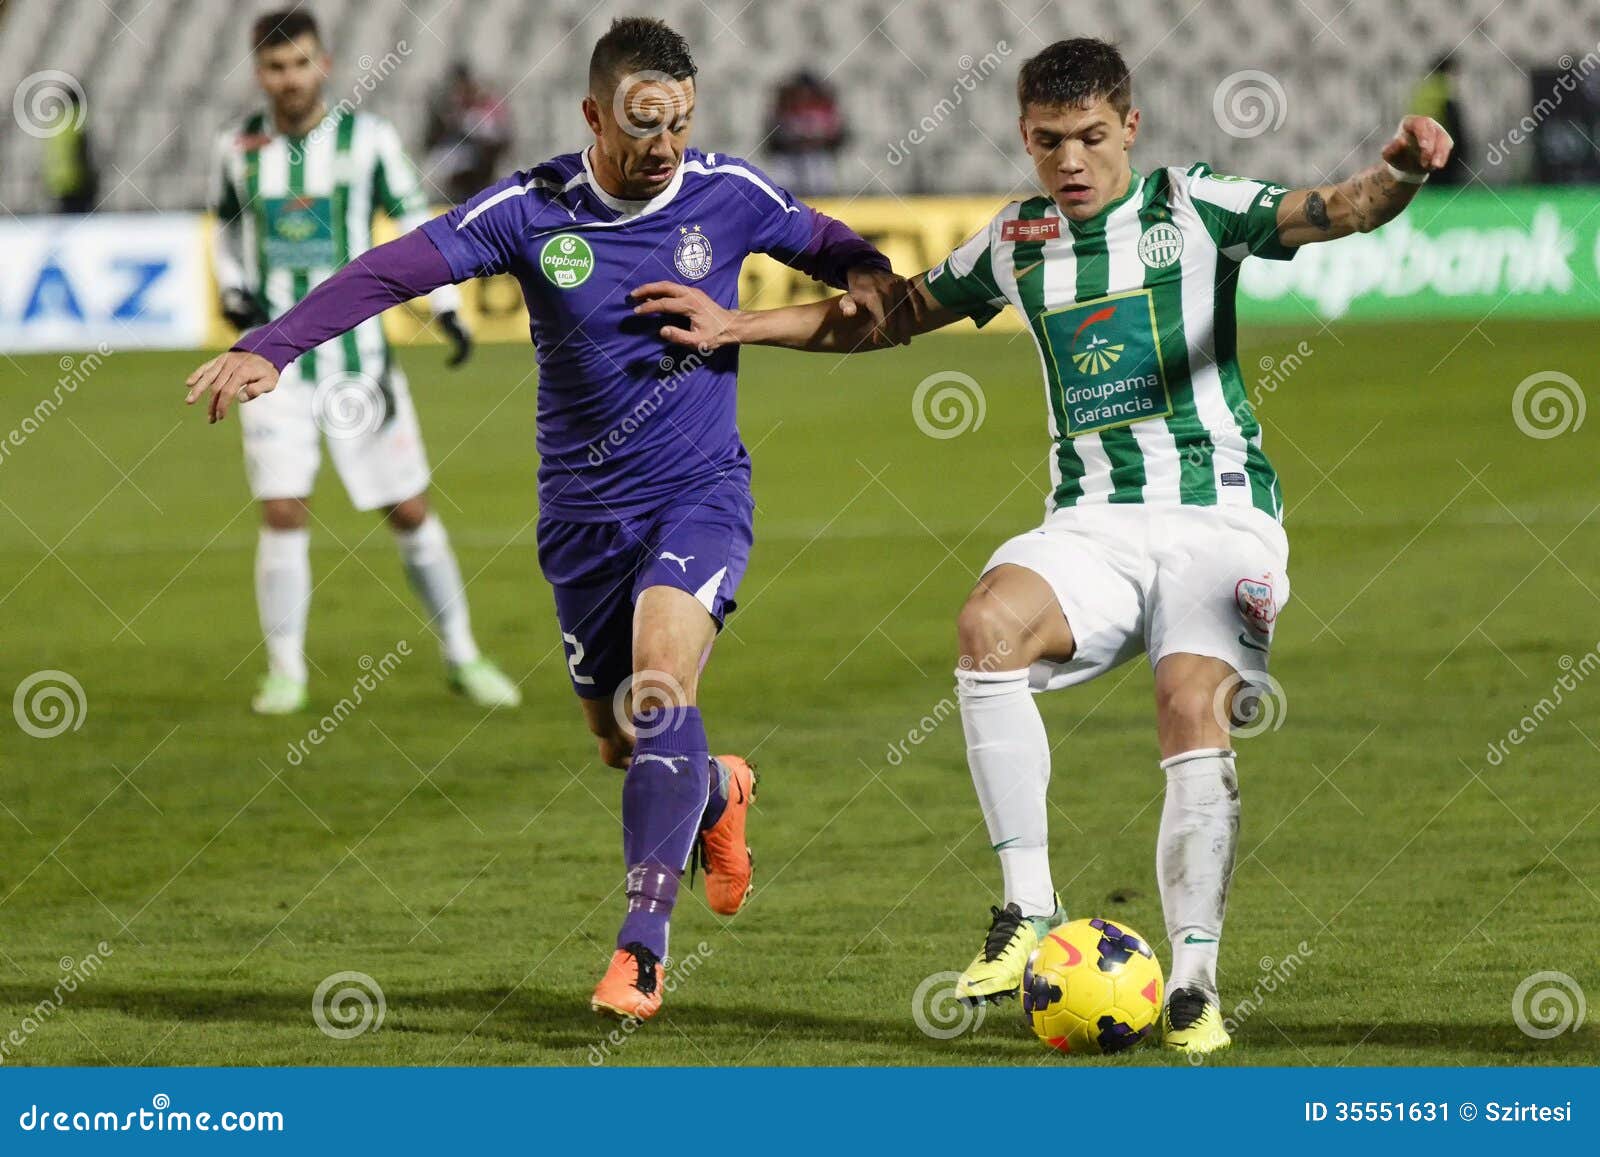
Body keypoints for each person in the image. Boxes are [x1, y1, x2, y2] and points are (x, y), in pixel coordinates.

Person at [629, 38, 1453, 1053]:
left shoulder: (1189, 205)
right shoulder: (1016, 240)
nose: (1070, 160)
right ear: (1023, 136)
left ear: (1130, 128)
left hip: (1219, 513)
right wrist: (733, 325)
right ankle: (1026, 911)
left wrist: (1404, 166)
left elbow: (1335, 208)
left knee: (1188, 700)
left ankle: (1191, 982)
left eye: (1091, 139)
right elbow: (884, 317)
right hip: (1090, 523)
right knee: (988, 626)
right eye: (1048, 141)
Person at [184, 16, 902, 1020]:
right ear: (594, 115)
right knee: (624, 741)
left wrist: (864, 269)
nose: (665, 149)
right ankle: (712, 788)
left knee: (659, 686)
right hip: (579, 522)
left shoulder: (725, 194)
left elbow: (825, 238)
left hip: (697, 496)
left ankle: (640, 949)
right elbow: (393, 267)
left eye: (681, 125)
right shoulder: (531, 210)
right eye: (644, 127)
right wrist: (277, 343)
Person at [210, 8, 518, 715]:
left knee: (407, 507)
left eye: (301, 64)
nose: (289, 79)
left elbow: (415, 225)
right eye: (275, 67)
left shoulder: (367, 140)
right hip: (271, 361)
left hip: (360, 360)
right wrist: (231, 284)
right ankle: (285, 671)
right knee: (283, 508)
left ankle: (463, 653)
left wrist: (445, 311)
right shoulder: (237, 148)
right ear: (260, 72)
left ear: (325, 65)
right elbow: (224, 227)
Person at [424, 62, 513, 204]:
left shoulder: (485, 104)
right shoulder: (449, 105)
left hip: (481, 157)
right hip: (457, 154)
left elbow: (498, 135)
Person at [764, 71, 848, 195]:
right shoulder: (785, 106)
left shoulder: (823, 107)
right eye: (800, 91)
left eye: (808, 91)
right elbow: (774, 134)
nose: (804, 94)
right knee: (784, 181)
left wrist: (816, 139)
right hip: (788, 155)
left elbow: (837, 135)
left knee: (819, 180)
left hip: (818, 154)